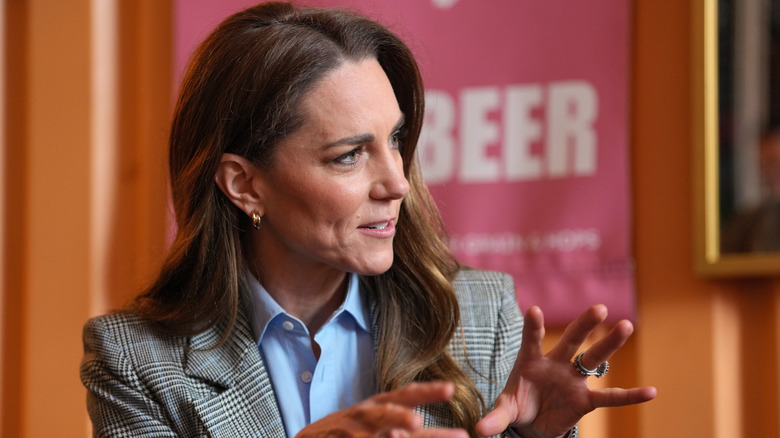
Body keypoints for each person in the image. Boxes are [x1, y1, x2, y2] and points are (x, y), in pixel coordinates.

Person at [80, 2, 656, 437]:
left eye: (396, 139)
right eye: (349, 155)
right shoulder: (137, 360)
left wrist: (531, 436)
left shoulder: (481, 315)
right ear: (244, 185)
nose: (398, 182)